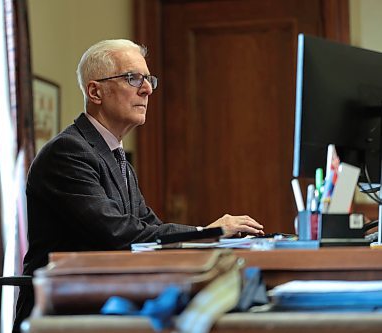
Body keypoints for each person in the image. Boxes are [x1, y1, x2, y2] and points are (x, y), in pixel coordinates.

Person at [13, 39, 264, 331]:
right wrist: (209, 232)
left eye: (148, 79)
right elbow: (120, 235)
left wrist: (214, 237)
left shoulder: (117, 158)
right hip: (66, 310)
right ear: (96, 91)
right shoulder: (69, 152)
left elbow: (149, 230)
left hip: (106, 301)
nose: (147, 89)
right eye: (133, 78)